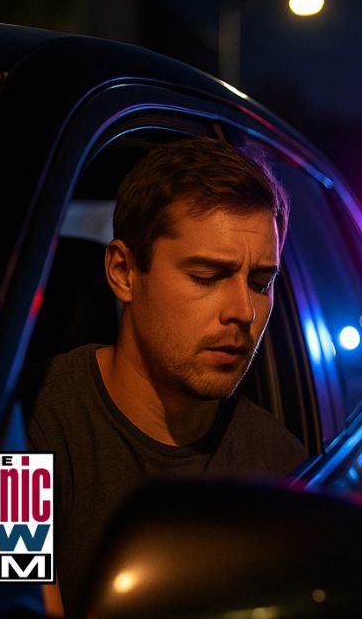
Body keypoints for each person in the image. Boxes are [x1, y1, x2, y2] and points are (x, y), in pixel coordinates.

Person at [25, 137, 307, 618]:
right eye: (206, 276)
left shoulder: (282, 467)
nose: (243, 311)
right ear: (124, 271)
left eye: (261, 283)